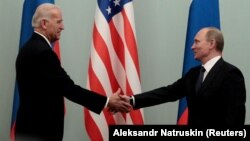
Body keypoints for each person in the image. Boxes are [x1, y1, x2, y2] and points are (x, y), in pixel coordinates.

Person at [15, 3, 130, 141]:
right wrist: (107, 101)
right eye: (58, 22)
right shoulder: (43, 53)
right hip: (40, 132)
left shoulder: (28, 48)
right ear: (44, 23)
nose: (62, 27)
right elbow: (69, 89)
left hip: (28, 130)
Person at [119, 27, 246, 126]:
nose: (192, 47)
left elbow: (235, 119)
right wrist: (132, 100)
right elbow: (168, 92)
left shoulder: (230, 74)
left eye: (197, 42)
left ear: (211, 43)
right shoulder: (194, 74)